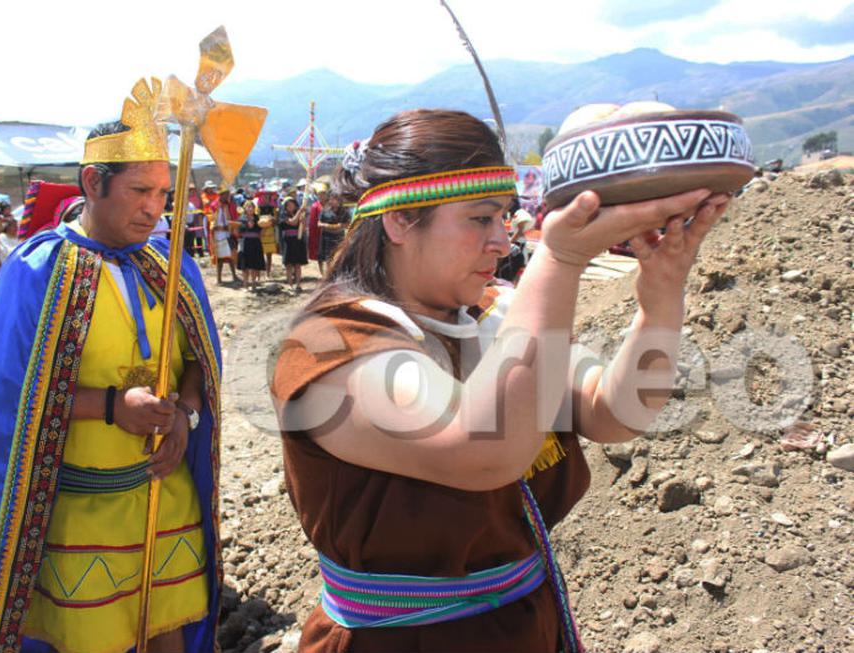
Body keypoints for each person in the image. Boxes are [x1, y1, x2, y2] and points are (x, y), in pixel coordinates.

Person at [271, 109, 729, 652]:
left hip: (523, 626)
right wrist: (559, 259)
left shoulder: (491, 313)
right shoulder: (330, 345)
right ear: (399, 222)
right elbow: (484, 449)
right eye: (480, 219)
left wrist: (660, 300)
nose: (502, 241)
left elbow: (615, 412)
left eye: (505, 217)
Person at [0, 82, 225, 653]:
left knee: (168, 631)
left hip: (167, 496)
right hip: (81, 509)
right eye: (140, 189)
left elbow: (197, 364)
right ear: (94, 183)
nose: (153, 208)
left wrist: (185, 415)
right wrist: (115, 407)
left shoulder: (171, 268)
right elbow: (6, 399)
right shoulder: (39, 272)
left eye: (164, 192)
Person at [209, 185, 239, 284]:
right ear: (221, 195)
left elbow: (233, 219)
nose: (227, 196)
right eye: (225, 194)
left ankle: (234, 275)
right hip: (218, 235)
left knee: (231, 256)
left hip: (228, 233)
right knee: (219, 258)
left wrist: (230, 227)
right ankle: (219, 278)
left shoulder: (230, 205)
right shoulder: (214, 206)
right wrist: (215, 227)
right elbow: (211, 220)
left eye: (228, 194)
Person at [316, 192, 349, 277]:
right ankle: (328, 275)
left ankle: (337, 274)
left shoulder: (344, 211)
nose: (331, 201)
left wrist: (334, 226)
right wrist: (330, 226)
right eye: (330, 199)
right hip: (326, 237)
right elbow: (319, 223)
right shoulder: (325, 210)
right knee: (327, 257)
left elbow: (346, 224)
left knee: (338, 257)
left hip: (338, 237)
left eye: (334, 199)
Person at [279, 196, 308, 291]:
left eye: (292, 205)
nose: (291, 207)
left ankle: (298, 284)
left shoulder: (299, 214)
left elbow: (303, 229)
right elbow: (293, 222)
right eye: (288, 205)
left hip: (298, 240)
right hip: (288, 241)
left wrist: (303, 221)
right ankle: (290, 285)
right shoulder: (283, 216)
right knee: (289, 264)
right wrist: (300, 212)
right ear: (285, 207)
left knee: (297, 264)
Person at [237, 199, 266, 291]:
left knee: (254, 264)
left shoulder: (258, 219)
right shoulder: (241, 219)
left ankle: (253, 284)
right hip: (245, 242)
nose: (250, 209)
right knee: (245, 265)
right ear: (245, 208)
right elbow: (238, 232)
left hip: (255, 242)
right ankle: (245, 284)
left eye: (252, 207)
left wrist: (264, 227)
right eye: (248, 207)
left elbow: (261, 232)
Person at [255, 184, 279, 277]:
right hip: (260, 233)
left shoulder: (274, 208)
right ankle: (258, 274)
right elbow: (256, 219)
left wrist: (272, 220)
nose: (266, 198)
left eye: (268, 196)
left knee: (269, 255)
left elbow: (276, 220)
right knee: (259, 254)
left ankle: (268, 273)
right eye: (264, 196)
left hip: (270, 232)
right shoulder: (258, 209)